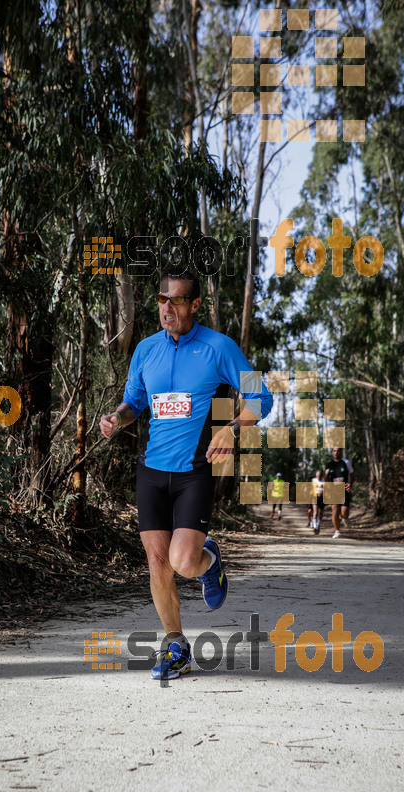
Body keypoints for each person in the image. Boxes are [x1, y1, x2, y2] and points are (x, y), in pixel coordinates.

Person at [99, 267, 273, 680]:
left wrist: (232, 429)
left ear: (195, 304)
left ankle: (209, 561)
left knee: (182, 561)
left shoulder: (219, 347)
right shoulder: (145, 350)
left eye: (176, 300)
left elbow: (261, 397)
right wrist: (116, 419)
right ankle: (175, 646)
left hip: (195, 470)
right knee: (157, 563)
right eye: (162, 300)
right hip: (152, 471)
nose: (167, 308)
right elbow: (133, 402)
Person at [324, 447, 354, 538]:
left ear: (341, 452)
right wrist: (326, 474)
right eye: (334, 451)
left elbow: (352, 474)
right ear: (332, 452)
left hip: (344, 490)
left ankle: (344, 518)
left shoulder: (346, 462)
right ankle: (337, 531)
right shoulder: (329, 464)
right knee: (335, 510)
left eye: (338, 451)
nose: (336, 452)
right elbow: (326, 479)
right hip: (334, 490)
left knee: (344, 513)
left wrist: (350, 484)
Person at [310, 469, 325, 534]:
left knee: (320, 513)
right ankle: (315, 526)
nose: (318, 477)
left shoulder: (324, 480)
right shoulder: (313, 480)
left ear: (321, 475)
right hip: (315, 497)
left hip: (321, 497)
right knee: (315, 512)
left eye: (319, 475)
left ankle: (318, 524)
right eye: (317, 475)